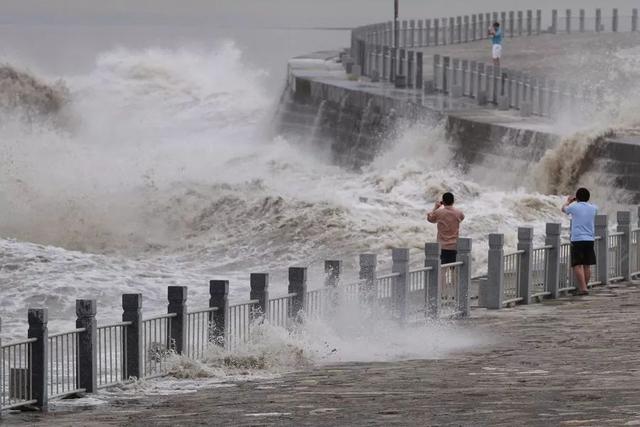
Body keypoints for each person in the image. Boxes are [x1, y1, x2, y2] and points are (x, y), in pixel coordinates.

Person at [562, 187, 598, 296]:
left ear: (577, 197)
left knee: (577, 265)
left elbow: (563, 209)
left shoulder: (574, 207)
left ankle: (583, 289)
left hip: (577, 239)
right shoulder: (593, 208)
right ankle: (584, 287)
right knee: (587, 265)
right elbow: (591, 207)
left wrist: (569, 201)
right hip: (590, 239)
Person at [427, 192, 465, 264]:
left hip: (442, 247)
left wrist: (436, 207)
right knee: (454, 272)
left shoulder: (438, 212)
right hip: (454, 246)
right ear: (453, 201)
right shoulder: (459, 213)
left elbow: (430, 219)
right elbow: (462, 218)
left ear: (443, 202)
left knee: (442, 271)